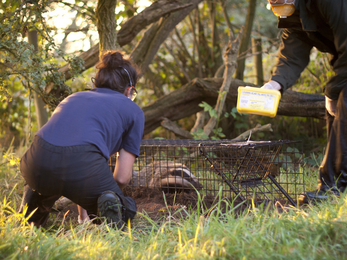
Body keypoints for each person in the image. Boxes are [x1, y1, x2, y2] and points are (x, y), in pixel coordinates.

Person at [19, 50, 145, 228]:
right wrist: (109, 194)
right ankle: (113, 224)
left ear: (97, 82)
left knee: (51, 175)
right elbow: (122, 178)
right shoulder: (133, 111)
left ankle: (31, 214)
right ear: (129, 90)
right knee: (125, 209)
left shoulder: (73, 97)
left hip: (36, 160)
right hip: (83, 164)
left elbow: (69, 145)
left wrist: (82, 217)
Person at [262, 0, 347, 202]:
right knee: (334, 114)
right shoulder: (294, 13)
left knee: (344, 103)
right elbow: (291, 55)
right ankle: (334, 186)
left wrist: (332, 91)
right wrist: (275, 84)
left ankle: (332, 188)